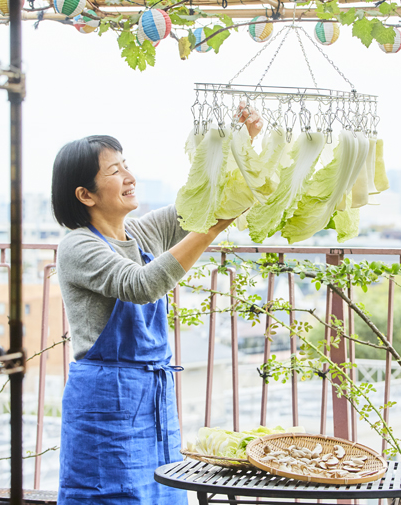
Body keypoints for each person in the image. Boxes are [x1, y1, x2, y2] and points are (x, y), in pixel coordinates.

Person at [53, 104, 261, 504]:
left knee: (163, 495)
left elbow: (202, 204)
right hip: (105, 402)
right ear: (85, 194)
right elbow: (142, 284)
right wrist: (215, 227)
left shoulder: (141, 233)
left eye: (126, 166)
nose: (130, 178)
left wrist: (241, 142)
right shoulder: (76, 245)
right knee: (110, 497)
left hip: (153, 398)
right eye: (114, 172)